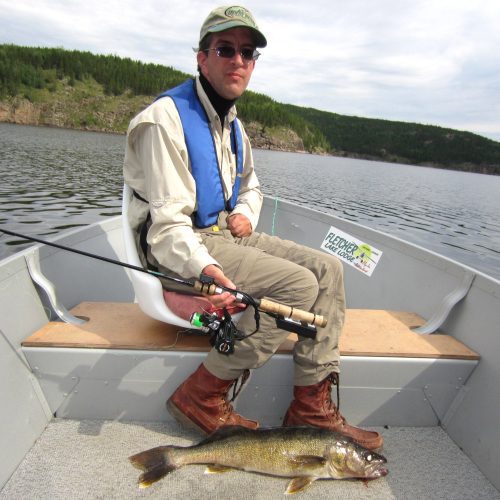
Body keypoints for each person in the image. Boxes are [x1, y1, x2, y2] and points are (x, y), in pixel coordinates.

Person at [123, 5, 382, 450]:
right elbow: (166, 229)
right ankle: (204, 392)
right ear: (202, 58)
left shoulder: (234, 126)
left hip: (227, 232)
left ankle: (311, 406)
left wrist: (245, 210)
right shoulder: (163, 119)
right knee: (299, 287)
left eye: (249, 52)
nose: (238, 60)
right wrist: (204, 269)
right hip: (185, 244)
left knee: (329, 271)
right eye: (225, 49)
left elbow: (252, 188)